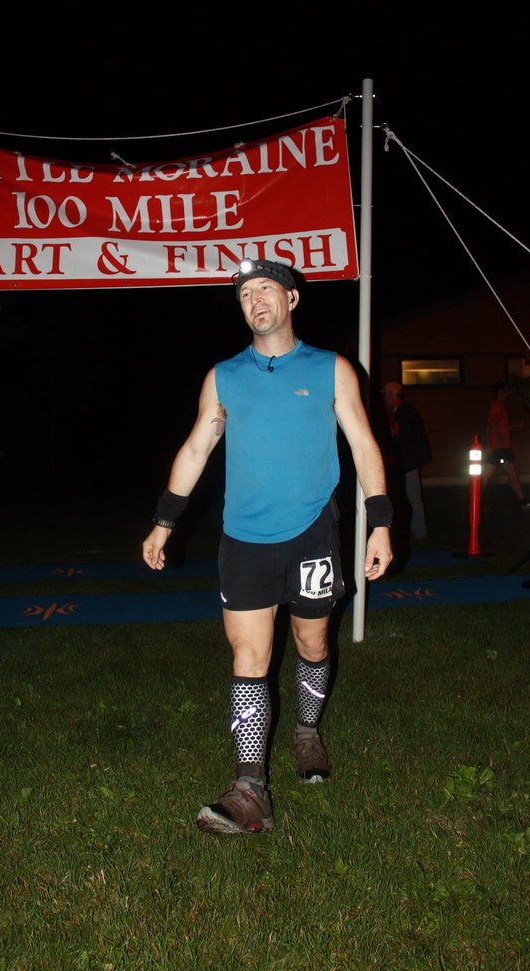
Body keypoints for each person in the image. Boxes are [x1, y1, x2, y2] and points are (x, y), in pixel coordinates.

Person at [142, 258, 393, 835]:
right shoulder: (223, 376)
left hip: (312, 535)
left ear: (292, 300)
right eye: (246, 294)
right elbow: (195, 450)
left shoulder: (331, 369)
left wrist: (379, 522)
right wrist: (164, 521)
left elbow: (362, 443)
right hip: (244, 542)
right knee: (248, 660)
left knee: (312, 641)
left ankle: (307, 734)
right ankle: (251, 788)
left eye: (267, 289)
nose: (256, 300)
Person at [381, 382, 431, 541]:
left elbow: (405, 441)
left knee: (413, 497)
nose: (385, 398)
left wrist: (396, 457)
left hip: (408, 463)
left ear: (393, 395)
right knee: (408, 497)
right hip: (406, 462)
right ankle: (413, 529)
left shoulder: (405, 413)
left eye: (387, 395)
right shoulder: (401, 412)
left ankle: (419, 531)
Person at [481, 381, 530, 509]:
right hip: (501, 449)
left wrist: (514, 426)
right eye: (506, 391)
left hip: (499, 448)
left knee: (488, 476)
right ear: (501, 392)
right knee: (512, 475)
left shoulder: (499, 406)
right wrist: (493, 444)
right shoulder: (497, 406)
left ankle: (475, 501)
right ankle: (524, 502)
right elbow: (491, 425)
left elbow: (500, 427)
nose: (507, 394)